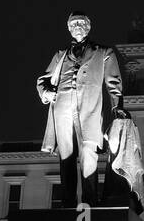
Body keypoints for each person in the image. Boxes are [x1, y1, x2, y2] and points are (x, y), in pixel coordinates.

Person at [37, 11, 124, 207]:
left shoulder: (104, 52)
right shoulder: (60, 55)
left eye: (81, 23)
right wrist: (46, 92)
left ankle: (89, 202)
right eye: (73, 23)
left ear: (88, 26)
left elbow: (113, 82)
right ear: (68, 28)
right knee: (66, 157)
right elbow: (43, 80)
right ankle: (67, 203)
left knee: (88, 155)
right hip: (62, 108)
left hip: (90, 110)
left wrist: (117, 107)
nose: (77, 26)